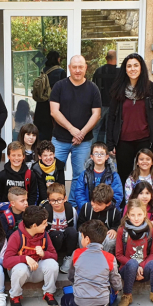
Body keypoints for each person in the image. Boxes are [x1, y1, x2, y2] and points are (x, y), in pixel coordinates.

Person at [50, 55, 101, 207]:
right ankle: (55, 203)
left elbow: (96, 114)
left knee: (79, 176)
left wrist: (82, 133)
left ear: (86, 68)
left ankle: (71, 205)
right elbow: (54, 111)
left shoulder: (93, 89)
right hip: (59, 140)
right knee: (53, 172)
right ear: (69, 68)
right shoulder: (59, 86)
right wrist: (73, 130)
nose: (77, 70)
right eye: (74, 67)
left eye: (81, 67)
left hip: (84, 142)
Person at [107, 53, 153, 186]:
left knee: (145, 174)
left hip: (145, 140)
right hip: (123, 141)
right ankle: (125, 204)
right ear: (125, 69)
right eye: (129, 66)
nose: (132, 69)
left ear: (141, 68)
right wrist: (110, 142)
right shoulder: (118, 90)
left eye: (136, 65)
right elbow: (111, 117)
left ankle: (145, 204)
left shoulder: (151, 89)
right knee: (124, 175)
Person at [61, 220, 122, 306]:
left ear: (87, 239)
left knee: (65, 300)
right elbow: (115, 279)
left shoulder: (77, 253)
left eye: (82, 237)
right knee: (112, 296)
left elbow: (71, 276)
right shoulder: (109, 257)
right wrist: (117, 288)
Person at [3, 205, 59, 306]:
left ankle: (49, 293)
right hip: (20, 272)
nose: (46, 225)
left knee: (52, 264)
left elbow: (54, 256)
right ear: (34, 225)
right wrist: (25, 258)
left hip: (37, 271)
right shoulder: (16, 236)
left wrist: (44, 254)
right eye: (44, 223)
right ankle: (15, 296)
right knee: (21, 269)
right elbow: (6, 262)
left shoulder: (45, 236)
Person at [115, 199, 153, 306]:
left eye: (139, 214)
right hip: (127, 269)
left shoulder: (150, 230)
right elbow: (118, 255)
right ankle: (127, 295)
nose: (136, 218)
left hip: (144, 270)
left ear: (145, 215)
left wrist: (141, 266)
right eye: (132, 215)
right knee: (132, 263)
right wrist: (135, 266)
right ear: (127, 215)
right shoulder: (122, 231)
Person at [75, 142, 123, 211]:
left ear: (107, 157)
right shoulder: (84, 174)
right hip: (88, 210)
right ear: (91, 156)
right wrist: (88, 208)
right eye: (96, 153)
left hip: (107, 210)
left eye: (102, 153)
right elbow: (79, 193)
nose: (99, 156)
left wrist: (104, 207)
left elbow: (117, 195)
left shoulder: (113, 175)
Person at [42, 182, 78, 274]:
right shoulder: (45, 211)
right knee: (57, 235)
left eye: (59, 199)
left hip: (66, 241)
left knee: (72, 232)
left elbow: (74, 227)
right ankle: (53, 257)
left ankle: (68, 257)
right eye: (53, 200)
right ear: (48, 200)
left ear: (65, 198)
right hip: (52, 241)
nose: (56, 203)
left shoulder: (71, 210)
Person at [77, 184, 121, 254]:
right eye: (93, 202)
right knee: (80, 235)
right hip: (88, 236)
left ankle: (105, 257)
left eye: (99, 204)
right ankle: (84, 255)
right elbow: (80, 225)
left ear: (108, 203)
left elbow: (118, 225)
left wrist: (114, 230)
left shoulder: (115, 212)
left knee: (111, 238)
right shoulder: (86, 208)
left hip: (104, 238)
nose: (94, 206)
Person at [34, 50, 67, 141]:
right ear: (58, 59)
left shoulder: (43, 71)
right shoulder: (61, 72)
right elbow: (64, 91)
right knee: (52, 131)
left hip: (41, 104)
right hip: (53, 104)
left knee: (41, 131)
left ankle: (40, 151)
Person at [0, 141, 39, 206]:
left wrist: (29, 209)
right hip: (6, 210)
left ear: (23, 156)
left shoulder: (30, 175)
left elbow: (33, 195)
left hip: (24, 210)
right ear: (8, 156)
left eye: (19, 155)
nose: (16, 158)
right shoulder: (2, 175)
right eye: (13, 155)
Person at [92, 50, 118, 144]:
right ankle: (106, 151)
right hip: (114, 106)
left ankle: (92, 152)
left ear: (106, 58)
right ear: (117, 58)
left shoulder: (99, 71)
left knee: (95, 129)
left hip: (100, 105)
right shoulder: (120, 72)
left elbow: (93, 88)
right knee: (109, 130)